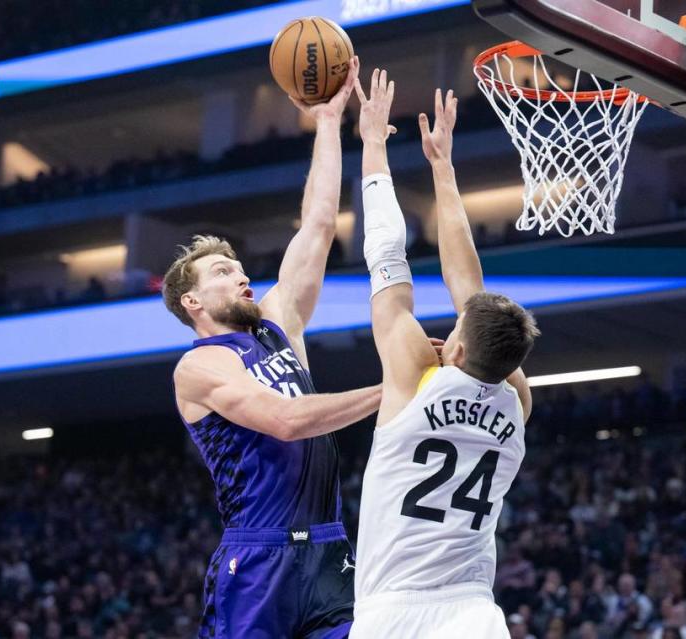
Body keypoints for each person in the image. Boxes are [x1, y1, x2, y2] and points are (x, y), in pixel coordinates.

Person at [166, 57, 381, 639]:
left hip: (330, 549)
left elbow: (315, 225)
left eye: (238, 266)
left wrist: (330, 122)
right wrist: (393, 389)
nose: (241, 276)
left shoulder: (276, 324)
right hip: (258, 562)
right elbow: (286, 421)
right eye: (221, 271)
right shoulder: (200, 366)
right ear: (192, 302)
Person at [347, 69, 538, 638]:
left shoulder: (413, 375)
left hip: (393, 610)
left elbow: (387, 258)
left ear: (454, 345)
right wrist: (443, 168)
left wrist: (377, 147)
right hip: (473, 613)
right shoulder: (516, 401)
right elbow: (471, 294)